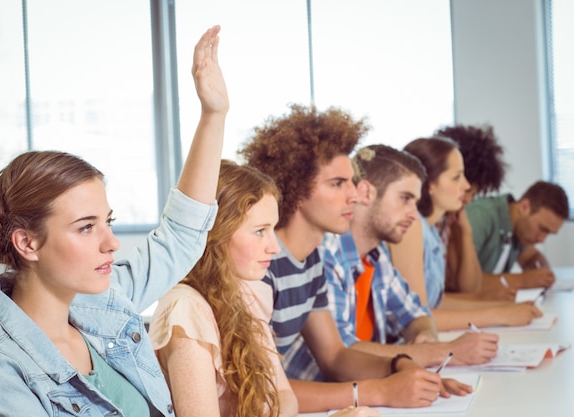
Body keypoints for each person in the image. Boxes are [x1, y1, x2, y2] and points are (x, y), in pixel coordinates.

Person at [0, 25, 228, 417]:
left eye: (108, 221)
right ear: (27, 243)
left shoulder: (101, 300)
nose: (111, 243)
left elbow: (182, 236)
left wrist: (213, 115)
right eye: (86, 227)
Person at [240, 105, 471, 414]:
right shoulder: (260, 265)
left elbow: (335, 356)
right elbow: (264, 389)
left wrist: (402, 368)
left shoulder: (310, 261)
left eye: (351, 182)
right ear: (293, 187)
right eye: (337, 184)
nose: (355, 195)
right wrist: (380, 390)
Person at [149, 160, 379, 417]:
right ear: (216, 234)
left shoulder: (250, 292)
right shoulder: (185, 310)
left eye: (272, 229)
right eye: (260, 231)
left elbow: (284, 396)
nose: (274, 247)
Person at [309, 144, 498, 373]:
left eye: (415, 203)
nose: (413, 214)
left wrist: (424, 335)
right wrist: (441, 351)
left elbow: (417, 312)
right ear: (367, 193)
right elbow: (343, 352)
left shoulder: (377, 257)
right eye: (405, 198)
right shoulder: (326, 255)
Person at [387, 137, 543, 332]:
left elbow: (436, 302)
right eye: (456, 177)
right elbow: (419, 317)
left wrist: (505, 307)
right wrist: (499, 315)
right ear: (429, 183)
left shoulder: (431, 229)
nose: (466, 185)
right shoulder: (411, 225)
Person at [433, 124, 512, 299]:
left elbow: (470, 288)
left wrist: (465, 232)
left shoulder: (448, 222)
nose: (468, 200)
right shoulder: (421, 225)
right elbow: (441, 296)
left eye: (473, 194)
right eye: (467, 191)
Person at [465, 180, 569, 292]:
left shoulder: (517, 229)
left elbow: (532, 256)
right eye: (542, 229)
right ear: (524, 207)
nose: (541, 239)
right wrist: (523, 280)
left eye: (549, 233)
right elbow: (460, 281)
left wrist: (542, 273)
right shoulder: (480, 216)